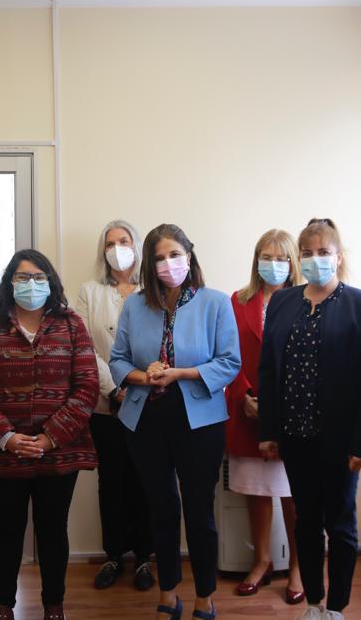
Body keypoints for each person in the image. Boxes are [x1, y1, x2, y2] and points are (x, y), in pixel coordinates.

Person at [258, 218, 361, 620]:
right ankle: (314, 602)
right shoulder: (283, 302)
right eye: (308, 253)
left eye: (323, 252)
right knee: (306, 522)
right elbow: (268, 370)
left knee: (341, 525)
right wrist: (268, 430)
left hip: (341, 441)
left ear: (338, 256)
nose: (315, 259)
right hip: (295, 436)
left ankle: (337, 607)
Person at [109, 223, 241, 620]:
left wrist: (179, 373)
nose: (168, 264)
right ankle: (168, 594)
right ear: (149, 265)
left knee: (199, 511)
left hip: (200, 422)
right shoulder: (135, 304)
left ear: (189, 256)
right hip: (146, 420)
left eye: (175, 255)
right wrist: (143, 375)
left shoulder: (216, 302)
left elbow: (229, 362)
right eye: (159, 258)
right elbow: (118, 360)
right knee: (161, 509)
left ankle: (204, 598)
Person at [0, 249, 98, 620]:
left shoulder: (72, 325)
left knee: (53, 530)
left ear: (51, 283)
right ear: (10, 283)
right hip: (3, 452)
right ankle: (3, 604)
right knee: (7, 530)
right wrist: (6, 437)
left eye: (39, 277)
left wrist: (50, 436)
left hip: (58, 452)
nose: (31, 284)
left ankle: (54, 604)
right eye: (22, 277)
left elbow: (87, 387)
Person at [75, 220, 155, 592]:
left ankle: (144, 557)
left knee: (145, 480)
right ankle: (113, 555)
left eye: (124, 241)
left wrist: (137, 386)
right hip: (106, 404)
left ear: (137, 246)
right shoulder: (89, 292)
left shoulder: (153, 291)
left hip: (149, 401)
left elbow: (161, 342)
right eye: (110, 243)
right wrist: (115, 386)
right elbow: (84, 347)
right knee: (111, 482)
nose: (117, 248)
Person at [226, 229, 303, 603]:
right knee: (256, 491)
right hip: (247, 412)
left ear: (293, 262)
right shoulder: (237, 301)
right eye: (266, 257)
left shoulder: (306, 300)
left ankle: (299, 568)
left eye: (281, 258)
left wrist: (280, 403)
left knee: (294, 494)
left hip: (292, 414)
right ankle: (262, 560)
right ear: (256, 260)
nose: (273, 264)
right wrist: (243, 394)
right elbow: (226, 354)